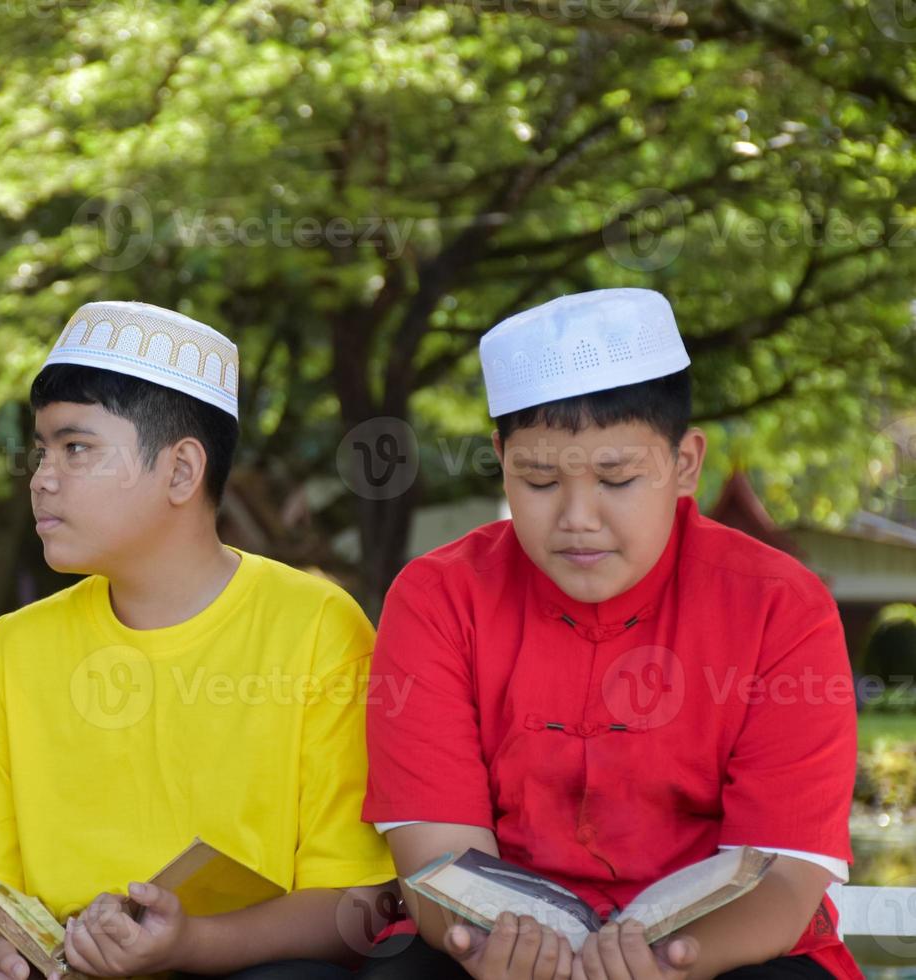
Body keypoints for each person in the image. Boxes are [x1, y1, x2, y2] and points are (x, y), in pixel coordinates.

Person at [360, 288, 860, 980]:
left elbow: (783, 878)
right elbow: (439, 863)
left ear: (685, 464)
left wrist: (673, 962)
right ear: (502, 457)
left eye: (617, 478)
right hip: (494, 956)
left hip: (718, 956)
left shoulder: (780, 606)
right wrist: (495, 950)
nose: (577, 518)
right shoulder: (438, 599)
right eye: (537, 481)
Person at [0, 301, 397, 980]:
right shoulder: (17, 645)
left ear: (181, 471)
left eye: (76, 448)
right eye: (42, 450)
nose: (41, 477)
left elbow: (358, 901)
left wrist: (187, 946)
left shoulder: (318, 626)